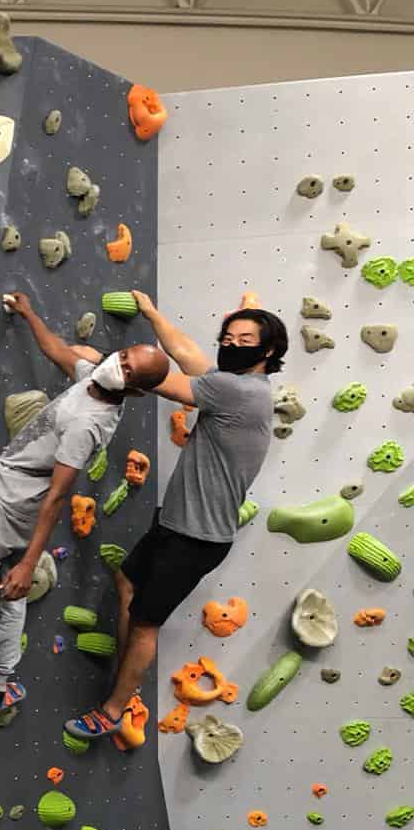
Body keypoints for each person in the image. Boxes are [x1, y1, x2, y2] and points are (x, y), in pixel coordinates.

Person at [0, 291, 170, 738]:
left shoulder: (89, 421)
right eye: (123, 355)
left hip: (7, 500)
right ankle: (0, 683)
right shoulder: (92, 382)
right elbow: (58, 351)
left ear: (136, 389)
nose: (118, 364)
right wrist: (28, 314)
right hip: (17, 506)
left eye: (130, 370)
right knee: (9, 593)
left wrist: (28, 561)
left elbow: (59, 496)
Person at [66, 293, 284, 743]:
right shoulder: (238, 385)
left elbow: (158, 376)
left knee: (146, 621)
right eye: (228, 337)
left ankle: (112, 710)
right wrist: (150, 312)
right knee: (127, 581)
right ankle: (126, 676)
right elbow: (185, 352)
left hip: (197, 538)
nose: (231, 344)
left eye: (244, 339)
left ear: (267, 352)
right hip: (177, 524)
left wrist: (103, 361)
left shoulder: (238, 391)